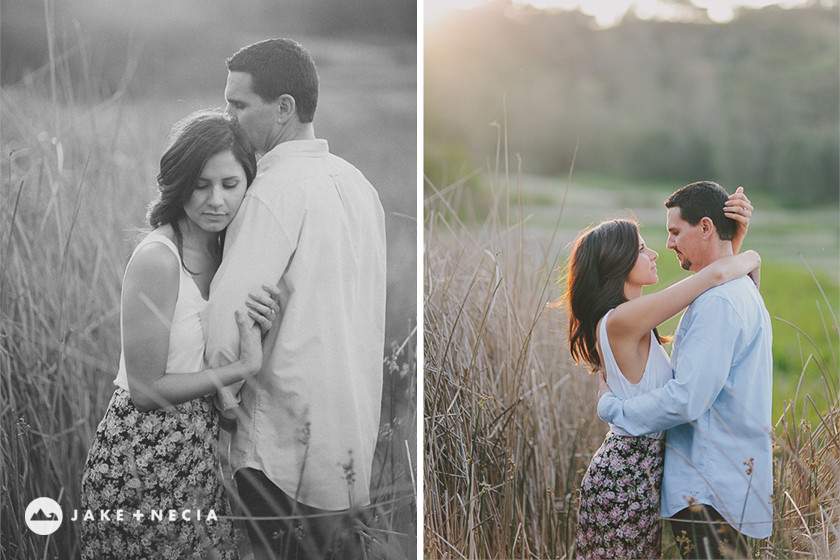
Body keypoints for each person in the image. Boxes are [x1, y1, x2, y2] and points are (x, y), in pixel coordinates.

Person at [202, 38, 387, 560]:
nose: (229, 117)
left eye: (239, 104)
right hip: (350, 450)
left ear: (283, 107)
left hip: (278, 455)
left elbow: (225, 333)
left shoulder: (271, 192)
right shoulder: (360, 187)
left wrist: (220, 403)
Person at [80, 110, 281, 559]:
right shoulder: (159, 258)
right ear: (179, 183)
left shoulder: (228, 251)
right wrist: (244, 365)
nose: (216, 201)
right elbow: (146, 389)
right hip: (141, 458)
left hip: (198, 457)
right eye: (201, 184)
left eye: (230, 185)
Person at [563, 187, 757, 560]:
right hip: (623, 480)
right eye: (640, 249)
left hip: (640, 475)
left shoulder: (633, 322)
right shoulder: (621, 320)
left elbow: (718, 276)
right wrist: (747, 249)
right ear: (616, 262)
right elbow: (715, 275)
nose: (654, 252)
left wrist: (732, 239)